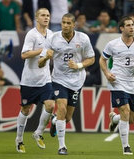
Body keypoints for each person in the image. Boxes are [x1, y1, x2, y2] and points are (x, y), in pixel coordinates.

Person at [39, 13, 95, 155]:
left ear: (74, 25)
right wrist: (46, 57)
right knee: (61, 107)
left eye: (68, 23)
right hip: (59, 79)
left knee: (67, 117)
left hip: (77, 81)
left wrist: (79, 65)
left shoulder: (83, 38)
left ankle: (55, 120)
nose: (65, 25)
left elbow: (92, 58)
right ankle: (62, 146)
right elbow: (40, 63)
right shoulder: (53, 38)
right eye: (63, 22)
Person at [99, 16, 134, 155]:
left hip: (133, 84)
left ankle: (115, 119)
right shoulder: (112, 44)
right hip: (117, 81)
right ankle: (126, 146)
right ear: (122, 28)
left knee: (131, 119)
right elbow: (102, 59)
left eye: (132, 25)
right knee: (125, 110)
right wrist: (106, 73)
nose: (131, 27)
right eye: (128, 25)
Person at [15, 8, 55, 153]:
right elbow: (24, 55)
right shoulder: (31, 35)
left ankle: (38, 132)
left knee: (50, 105)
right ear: (36, 18)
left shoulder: (51, 34)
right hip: (29, 80)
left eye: (48, 15)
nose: (46, 18)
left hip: (45, 79)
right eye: (43, 15)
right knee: (25, 110)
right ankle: (19, 139)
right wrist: (42, 50)